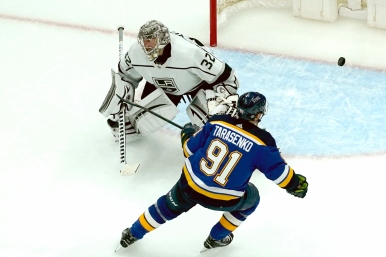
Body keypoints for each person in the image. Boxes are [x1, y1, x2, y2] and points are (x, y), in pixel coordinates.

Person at [115, 92, 309, 251]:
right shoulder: (263, 142)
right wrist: (296, 185)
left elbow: (188, 149)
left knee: (166, 206)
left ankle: (132, 234)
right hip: (224, 199)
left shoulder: (217, 122)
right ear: (259, 114)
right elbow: (280, 174)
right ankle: (216, 238)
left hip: (189, 185)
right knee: (252, 198)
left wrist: (188, 133)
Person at [99, 20, 239, 141]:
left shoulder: (191, 53)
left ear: (163, 39)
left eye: (152, 40)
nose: (147, 46)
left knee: (218, 128)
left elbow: (227, 77)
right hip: (160, 84)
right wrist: (124, 98)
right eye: (145, 41)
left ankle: (236, 124)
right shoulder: (135, 53)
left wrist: (223, 104)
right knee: (138, 124)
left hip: (197, 84)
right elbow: (125, 77)